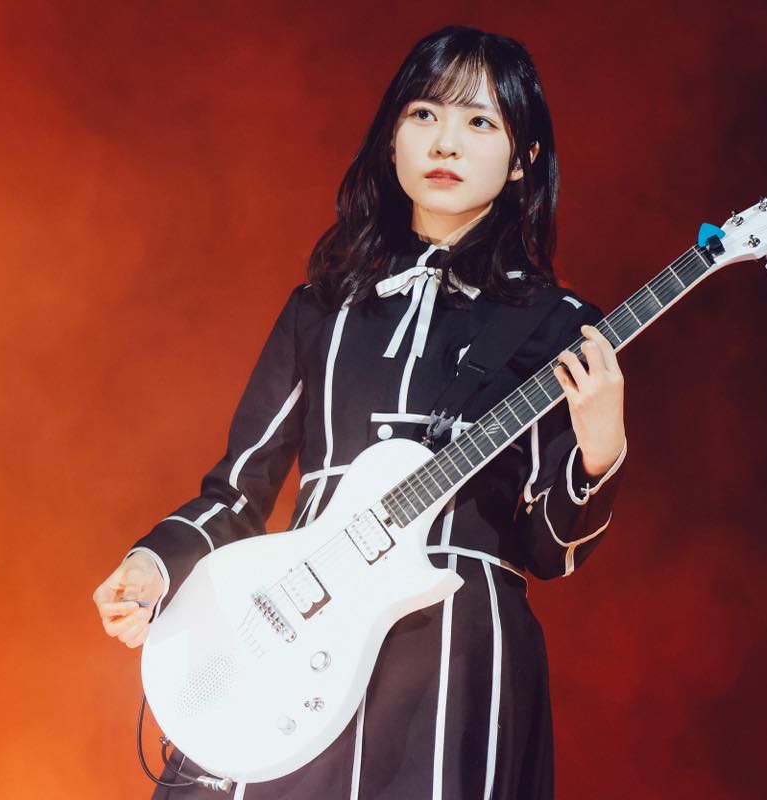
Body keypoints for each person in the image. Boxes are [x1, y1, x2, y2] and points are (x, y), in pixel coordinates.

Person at [93, 25, 628, 800]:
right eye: (424, 113)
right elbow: (238, 493)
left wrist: (600, 454)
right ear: (391, 138)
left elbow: (547, 551)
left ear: (524, 159)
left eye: (479, 121)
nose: (446, 141)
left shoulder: (560, 326)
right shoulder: (322, 308)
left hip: (451, 663)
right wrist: (154, 563)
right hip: (294, 638)